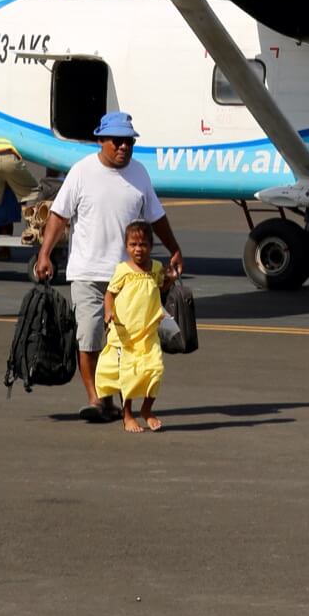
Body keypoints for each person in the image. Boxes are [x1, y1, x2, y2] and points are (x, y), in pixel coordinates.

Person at [33, 110, 184, 423]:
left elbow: (156, 217)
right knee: (89, 337)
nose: (124, 147)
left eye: (128, 142)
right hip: (87, 272)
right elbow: (59, 216)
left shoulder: (140, 174)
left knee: (123, 344)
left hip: (129, 278)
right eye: (117, 141)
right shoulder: (81, 172)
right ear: (101, 141)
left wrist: (174, 249)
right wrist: (44, 254)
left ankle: (116, 401)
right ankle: (97, 399)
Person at [98, 221, 171, 432]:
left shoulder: (156, 268)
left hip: (148, 332)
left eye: (143, 244)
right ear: (126, 247)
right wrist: (108, 311)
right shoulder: (123, 270)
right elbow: (109, 294)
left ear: (151, 245)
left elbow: (159, 286)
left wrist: (170, 279)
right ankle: (127, 414)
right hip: (126, 333)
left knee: (155, 369)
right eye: (133, 244)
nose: (138, 249)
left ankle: (147, 409)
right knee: (127, 374)